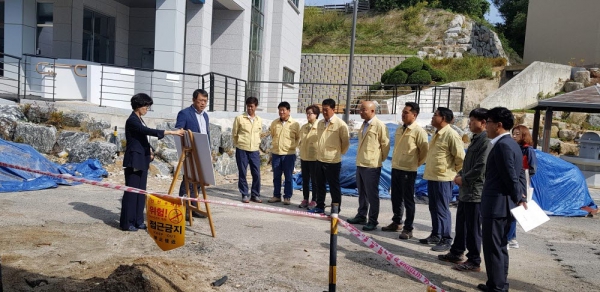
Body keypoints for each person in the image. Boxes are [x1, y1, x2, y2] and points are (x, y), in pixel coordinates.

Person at [477, 107, 527, 292]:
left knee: (494, 248)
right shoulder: (511, 143)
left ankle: (498, 287)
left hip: (497, 205)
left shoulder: (504, 145)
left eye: (488, 122)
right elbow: (520, 173)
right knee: (499, 246)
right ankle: (496, 283)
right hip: (504, 204)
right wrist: (522, 196)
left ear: (498, 125)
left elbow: (510, 176)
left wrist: (519, 198)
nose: (485, 126)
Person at [438, 108, 491, 272]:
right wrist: (460, 174)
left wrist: (464, 179)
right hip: (466, 191)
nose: (469, 123)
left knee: (473, 228)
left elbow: (481, 167)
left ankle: (474, 260)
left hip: (475, 192)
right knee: (461, 223)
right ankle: (456, 252)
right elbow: (468, 163)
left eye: (473, 120)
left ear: (483, 123)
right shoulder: (476, 139)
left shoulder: (486, 141)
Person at [121, 93, 184, 231]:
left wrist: (150, 150)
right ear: (138, 106)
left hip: (142, 159)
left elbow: (142, 139)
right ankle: (127, 222)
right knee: (131, 192)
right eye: (146, 106)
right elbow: (146, 131)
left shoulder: (140, 119)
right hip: (134, 160)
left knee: (141, 191)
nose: (147, 109)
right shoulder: (132, 120)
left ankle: (138, 220)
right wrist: (171, 133)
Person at [421, 107, 465, 252]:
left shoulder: (451, 135)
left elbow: (460, 158)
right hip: (433, 176)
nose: (432, 118)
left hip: (443, 178)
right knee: (433, 207)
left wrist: (454, 174)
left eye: (435, 115)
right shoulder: (437, 134)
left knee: (442, 209)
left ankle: (446, 239)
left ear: (443, 118)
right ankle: (436, 234)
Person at [383, 102, 428, 239]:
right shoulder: (399, 129)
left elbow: (424, 153)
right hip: (396, 168)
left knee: (408, 199)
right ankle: (397, 222)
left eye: (406, 112)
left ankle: (408, 228)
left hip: (409, 170)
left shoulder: (419, 132)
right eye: (402, 112)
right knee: (395, 197)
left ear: (414, 115)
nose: (403, 115)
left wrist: (413, 164)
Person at [347, 101, 391, 231]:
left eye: (363, 110)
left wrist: (377, 159)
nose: (360, 112)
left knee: (372, 194)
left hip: (371, 165)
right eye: (360, 109)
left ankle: (373, 220)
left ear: (372, 111)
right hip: (360, 163)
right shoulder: (364, 125)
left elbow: (385, 146)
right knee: (362, 193)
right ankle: (361, 215)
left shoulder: (379, 126)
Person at [308, 98, 350, 214]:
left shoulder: (340, 125)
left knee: (334, 187)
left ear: (333, 109)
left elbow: (345, 143)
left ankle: (335, 208)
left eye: (326, 110)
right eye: (323, 110)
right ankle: (320, 206)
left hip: (333, 161)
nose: (324, 112)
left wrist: (336, 153)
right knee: (320, 185)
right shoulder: (320, 123)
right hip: (319, 159)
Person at [175, 89, 210, 217]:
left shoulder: (205, 116)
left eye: (205, 101)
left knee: (200, 180)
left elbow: (207, 134)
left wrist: (209, 150)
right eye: (200, 100)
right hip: (190, 153)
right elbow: (179, 130)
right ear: (194, 100)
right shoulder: (185, 113)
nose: (203, 103)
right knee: (188, 180)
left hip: (203, 152)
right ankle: (183, 209)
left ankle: (194, 208)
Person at [507, 124, 538, 249]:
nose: (514, 136)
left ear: (524, 135)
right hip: (516, 179)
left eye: (517, 134)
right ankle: (512, 238)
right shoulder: (514, 147)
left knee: (514, 210)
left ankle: (509, 238)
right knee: (513, 210)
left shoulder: (528, 150)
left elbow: (533, 168)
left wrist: (522, 174)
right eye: (513, 133)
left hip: (522, 180)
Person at [267, 102, 300, 205]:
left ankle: (287, 197)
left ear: (288, 111)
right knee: (276, 176)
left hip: (289, 154)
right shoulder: (274, 123)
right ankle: (276, 195)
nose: (281, 112)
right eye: (280, 110)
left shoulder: (295, 124)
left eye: (283, 110)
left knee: (288, 176)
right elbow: (273, 135)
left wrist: (292, 147)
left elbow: (298, 138)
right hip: (276, 153)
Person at [233, 97, 263, 203]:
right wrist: (239, 144)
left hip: (254, 150)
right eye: (248, 106)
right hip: (242, 149)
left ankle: (255, 194)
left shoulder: (259, 120)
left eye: (252, 106)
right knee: (242, 172)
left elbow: (259, 134)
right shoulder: (239, 118)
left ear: (256, 107)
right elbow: (234, 134)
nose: (250, 109)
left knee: (256, 173)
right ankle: (245, 194)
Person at [298, 105, 321, 210]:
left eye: (310, 113)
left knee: (315, 180)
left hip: (315, 158)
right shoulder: (304, 127)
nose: (308, 115)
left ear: (316, 115)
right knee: (305, 179)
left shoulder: (320, 127)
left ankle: (314, 200)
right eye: (307, 113)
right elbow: (300, 141)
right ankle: (305, 199)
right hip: (304, 157)